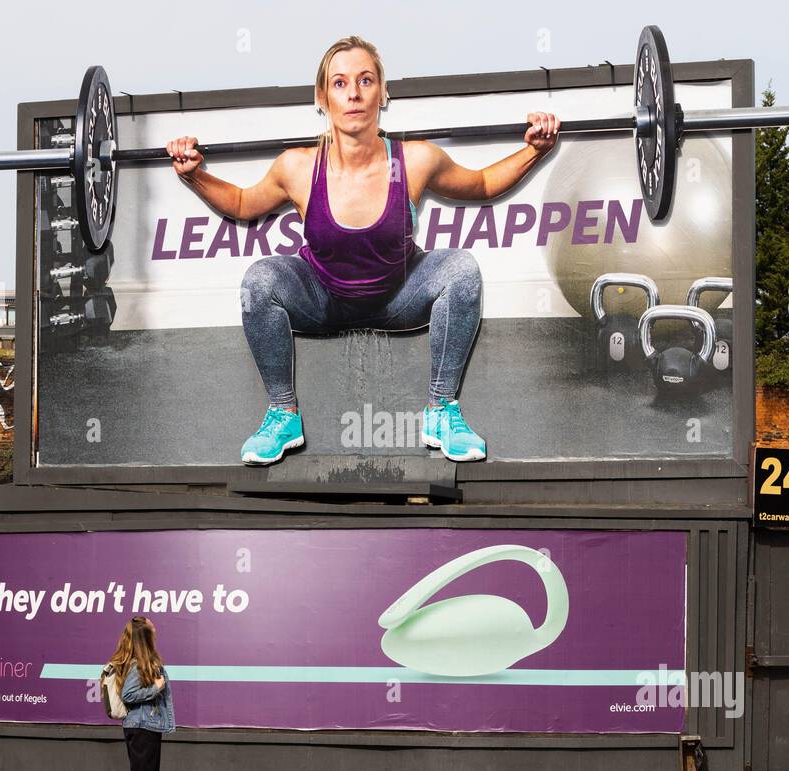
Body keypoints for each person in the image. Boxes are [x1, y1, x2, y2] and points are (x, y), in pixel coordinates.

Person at [166, 35, 560, 465]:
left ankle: (441, 411)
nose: (353, 93)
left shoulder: (414, 160)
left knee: (461, 269)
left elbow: (482, 184)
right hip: (322, 301)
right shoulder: (298, 168)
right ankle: (283, 415)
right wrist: (194, 175)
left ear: (383, 92)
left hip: (399, 297)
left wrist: (534, 151)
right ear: (322, 98)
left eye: (365, 80)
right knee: (259, 281)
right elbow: (242, 204)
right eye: (339, 83)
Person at [107, 616, 175, 771]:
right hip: (142, 726)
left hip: (144, 726)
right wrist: (156, 688)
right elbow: (128, 695)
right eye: (152, 626)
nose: (156, 629)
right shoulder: (138, 664)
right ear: (145, 635)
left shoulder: (141, 661)